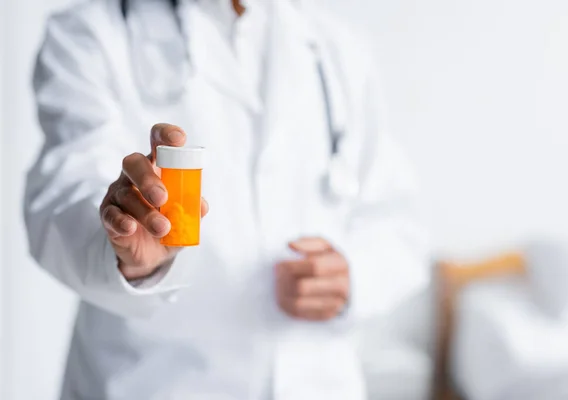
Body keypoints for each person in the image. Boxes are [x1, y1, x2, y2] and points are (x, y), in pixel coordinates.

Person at [24, 0, 429, 398]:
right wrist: (122, 247)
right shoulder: (89, 34)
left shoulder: (336, 46)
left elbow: (397, 222)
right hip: (151, 382)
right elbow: (64, 195)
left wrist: (352, 277)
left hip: (318, 382)